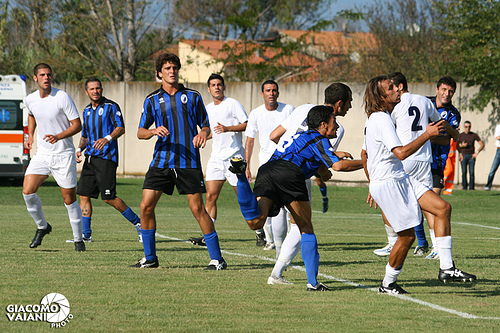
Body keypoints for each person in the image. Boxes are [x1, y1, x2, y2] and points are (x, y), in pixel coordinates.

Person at [362, 75, 475, 294]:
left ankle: (447, 268)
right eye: (391, 87)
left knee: (443, 208)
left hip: (402, 178)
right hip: (389, 182)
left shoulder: (385, 115)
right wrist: (427, 135)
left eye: (396, 85)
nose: (397, 89)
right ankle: (388, 283)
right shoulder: (381, 119)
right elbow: (402, 153)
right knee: (407, 236)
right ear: (381, 95)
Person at [230, 105, 363, 291]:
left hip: (268, 170)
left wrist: (332, 158)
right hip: (289, 174)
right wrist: (367, 162)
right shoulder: (319, 139)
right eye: (334, 123)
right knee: (306, 228)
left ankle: (240, 178)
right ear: (323, 125)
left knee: (256, 222)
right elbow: (339, 167)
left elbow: (320, 165)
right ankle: (313, 283)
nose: (337, 127)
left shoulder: (302, 137)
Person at [131, 53, 226, 270]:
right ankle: (150, 258)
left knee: (198, 209)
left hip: (188, 162)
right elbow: (140, 132)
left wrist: (202, 133)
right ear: (159, 74)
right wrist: (153, 131)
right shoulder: (151, 100)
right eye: (167, 68)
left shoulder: (192, 96)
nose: (171, 71)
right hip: (161, 162)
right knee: (145, 206)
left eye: (174, 67)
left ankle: (217, 259)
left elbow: (205, 124)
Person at [267, 83, 356, 284]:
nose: (350, 107)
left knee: (265, 217)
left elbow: (274, 136)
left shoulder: (303, 108)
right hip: (296, 176)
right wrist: (321, 173)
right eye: (349, 102)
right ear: (339, 104)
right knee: (302, 227)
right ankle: (278, 274)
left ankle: (277, 271)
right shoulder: (335, 127)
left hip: (274, 165)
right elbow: (324, 160)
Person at [372, 72, 457, 258]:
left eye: (393, 86)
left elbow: (390, 133)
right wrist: (452, 135)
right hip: (424, 159)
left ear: (400, 86)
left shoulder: (392, 107)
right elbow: (439, 124)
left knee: (389, 201)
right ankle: (435, 247)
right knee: (429, 206)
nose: (392, 90)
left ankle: (393, 242)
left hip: (404, 158)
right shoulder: (425, 101)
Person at [68, 77, 141, 244]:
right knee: (84, 194)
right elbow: (85, 135)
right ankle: (86, 235)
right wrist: (79, 149)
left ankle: (139, 224)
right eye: (92, 89)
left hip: (107, 159)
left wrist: (107, 138)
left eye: (98, 88)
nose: (95, 91)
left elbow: (120, 128)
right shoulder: (86, 111)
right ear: (86, 92)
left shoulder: (111, 106)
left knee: (108, 197)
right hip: (91, 159)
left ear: (102, 89)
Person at [22, 63, 85, 252]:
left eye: (49, 75)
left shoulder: (62, 97)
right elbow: (32, 115)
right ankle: (43, 227)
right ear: (35, 78)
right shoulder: (30, 99)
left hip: (63, 155)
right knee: (27, 192)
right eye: (42, 75)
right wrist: (31, 135)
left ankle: (78, 240)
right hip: (43, 153)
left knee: (69, 199)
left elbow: (77, 125)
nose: (46, 78)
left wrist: (58, 136)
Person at [189, 73, 248, 246]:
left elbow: (246, 124)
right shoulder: (207, 108)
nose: (216, 87)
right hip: (216, 158)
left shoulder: (233, 104)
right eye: (213, 85)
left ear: (223, 87)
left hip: (234, 157)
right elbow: (211, 131)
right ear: (208, 89)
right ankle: (208, 235)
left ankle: (260, 230)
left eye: (219, 84)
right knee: (210, 197)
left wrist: (228, 128)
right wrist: (201, 137)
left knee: (242, 197)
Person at [244, 80, 294, 251]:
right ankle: (271, 240)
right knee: (265, 201)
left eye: (274, 90)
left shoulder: (288, 110)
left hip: (286, 162)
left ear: (278, 93)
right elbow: (249, 140)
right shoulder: (256, 113)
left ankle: (289, 239)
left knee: (288, 203)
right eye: (268, 90)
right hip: (266, 164)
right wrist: (247, 166)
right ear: (262, 94)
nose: (271, 93)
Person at [425, 76, 461, 260]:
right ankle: (427, 243)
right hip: (418, 161)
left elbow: (446, 138)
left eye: (451, 91)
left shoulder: (453, 113)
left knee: (434, 202)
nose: (447, 94)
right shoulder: (424, 103)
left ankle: (437, 245)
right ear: (437, 89)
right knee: (422, 204)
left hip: (436, 162)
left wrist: (425, 135)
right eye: (444, 90)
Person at [457, 121, 484, 190]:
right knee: (464, 172)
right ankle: (464, 188)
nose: (467, 128)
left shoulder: (473, 135)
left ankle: (472, 188)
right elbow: (456, 146)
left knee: (471, 173)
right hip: (463, 155)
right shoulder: (461, 135)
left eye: (469, 127)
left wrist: (476, 153)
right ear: (464, 127)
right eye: (466, 127)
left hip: (471, 156)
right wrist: (461, 149)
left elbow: (482, 144)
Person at [484, 123, 500, 190]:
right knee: (493, 169)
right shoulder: (499, 126)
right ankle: (488, 185)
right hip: (499, 150)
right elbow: (497, 137)